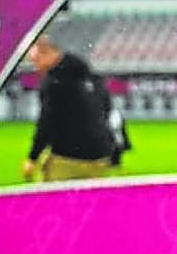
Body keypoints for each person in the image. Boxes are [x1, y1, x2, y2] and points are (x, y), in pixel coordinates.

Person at [22, 35, 118, 182]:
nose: (35, 66)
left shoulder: (54, 82)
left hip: (69, 155)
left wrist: (32, 158)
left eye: (35, 60)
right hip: (101, 154)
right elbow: (107, 110)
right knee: (90, 202)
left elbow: (47, 122)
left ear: (46, 52)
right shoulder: (90, 76)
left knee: (55, 200)